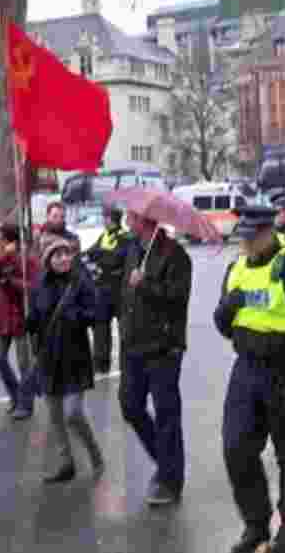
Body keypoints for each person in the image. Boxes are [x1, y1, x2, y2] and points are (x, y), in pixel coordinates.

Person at [214, 205, 285, 553]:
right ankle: (255, 522)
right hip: (247, 369)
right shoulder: (235, 270)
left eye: (251, 238)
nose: (245, 244)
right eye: (243, 238)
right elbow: (223, 325)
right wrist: (227, 307)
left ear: (267, 234)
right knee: (236, 448)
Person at [118, 206, 192, 506]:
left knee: (166, 416)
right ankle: (166, 462)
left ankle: (170, 480)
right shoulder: (134, 249)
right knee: (130, 406)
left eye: (130, 217)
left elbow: (177, 299)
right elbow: (125, 295)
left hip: (163, 347)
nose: (126, 221)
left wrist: (145, 284)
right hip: (133, 344)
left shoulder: (175, 255)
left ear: (143, 221)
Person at [26, 239, 105, 483]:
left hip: (75, 356)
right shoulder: (39, 284)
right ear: (48, 260)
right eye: (56, 255)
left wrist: (77, 317)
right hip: (49, 357)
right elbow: (37, 316)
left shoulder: (81, 281)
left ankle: (95, 454)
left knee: (73, 413)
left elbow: (97, 313)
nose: (63, 258)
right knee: (55, 416)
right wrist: (29, 321)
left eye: (66, 254)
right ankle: (66, 463)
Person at [0, 223, 40, 420]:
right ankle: (15, 394)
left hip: (21, 314)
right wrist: (5, 254)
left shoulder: (28, 259)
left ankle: (26, 403)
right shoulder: (0, 253)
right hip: (2, 314)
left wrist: (11, 281)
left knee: (25, 364)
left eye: (1, 238)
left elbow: (34, 287)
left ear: (9, 239)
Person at [85, 206, 135, 374]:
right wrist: (95, 258)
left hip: (119, 290)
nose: (103, 221)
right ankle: (101, 362)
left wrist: (102, 256)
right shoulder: (104, 236)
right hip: (103, 289)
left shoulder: (126, 238)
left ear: (111, 219)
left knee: (124, 330)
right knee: (100, 328)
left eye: (105, 217)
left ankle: (126, 364)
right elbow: (90, 253)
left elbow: (118, 258)